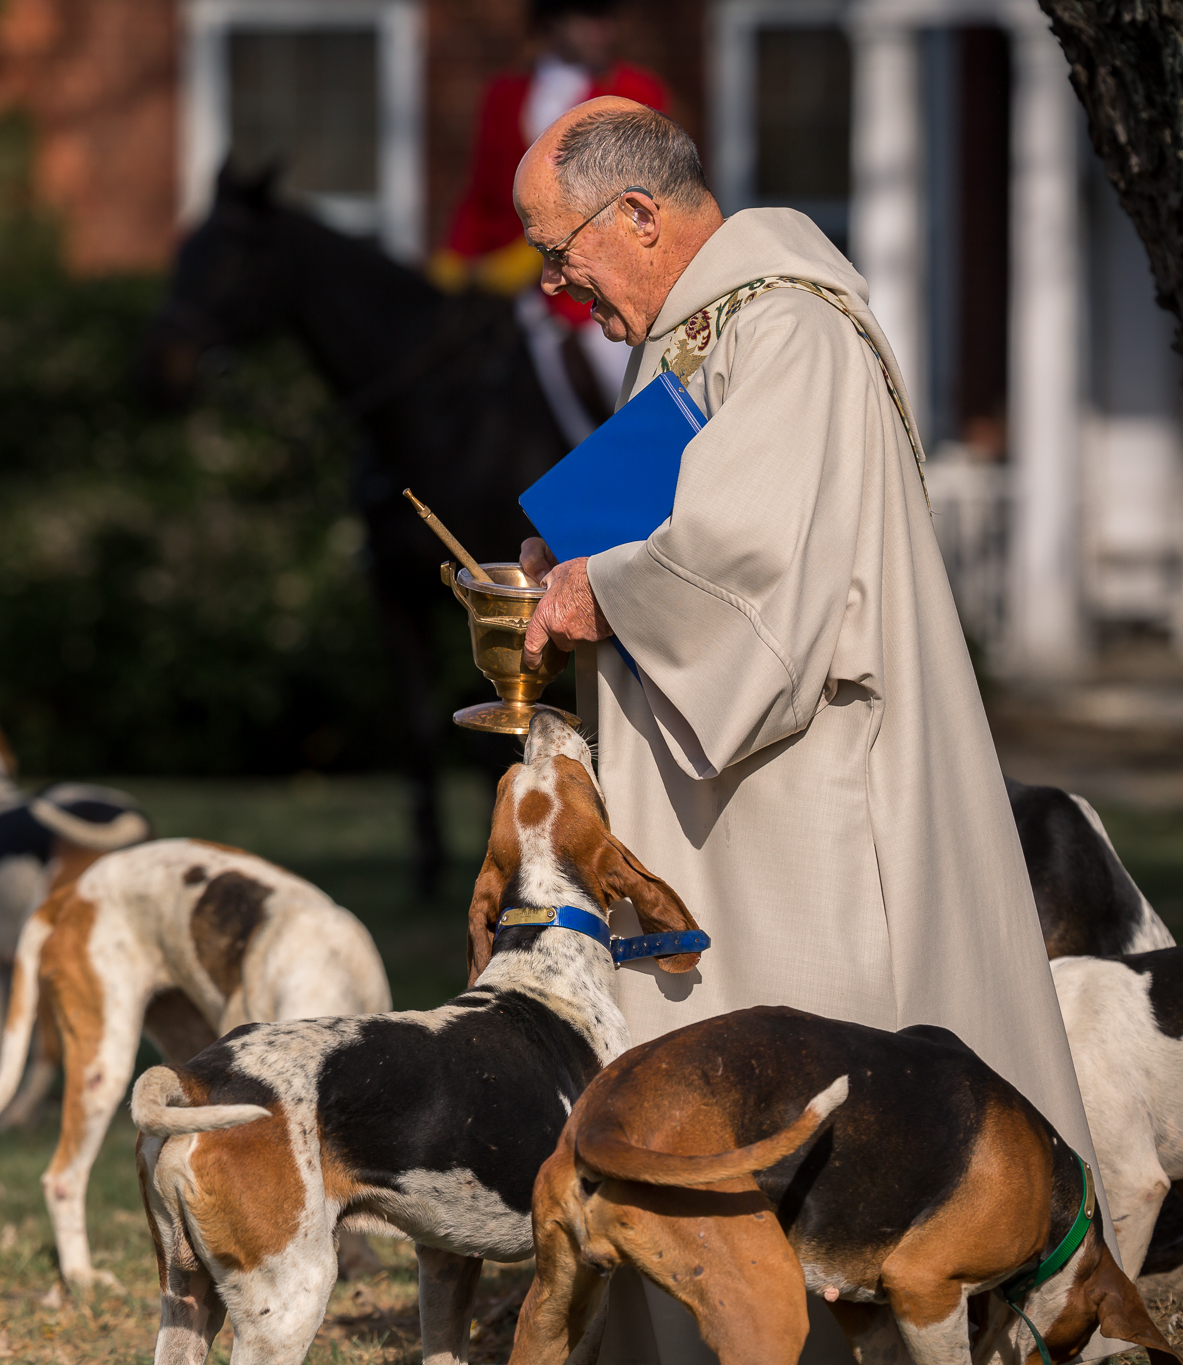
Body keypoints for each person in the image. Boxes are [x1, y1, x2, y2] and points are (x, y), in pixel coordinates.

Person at [511, 97, 1101, 1363]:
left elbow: (753, 562)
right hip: (736, 780)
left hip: (805, 791)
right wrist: (570, 550)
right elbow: (672, 512)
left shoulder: (785, 328)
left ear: (639, 215)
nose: (558, 287)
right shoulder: (698, 334)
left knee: (808, 1056)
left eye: (558, 251)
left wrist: (600, 589)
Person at [433, 0, 666, 441]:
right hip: (512, 298)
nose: (604, 30)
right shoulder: (502, 95)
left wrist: (542, 254)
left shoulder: (636, 91)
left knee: (625, 383)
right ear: (551, 23)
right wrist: (451, 261)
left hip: (597, 294)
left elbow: (637, 198)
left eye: (608, 19)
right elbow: (480, 196)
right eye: (590, 17)